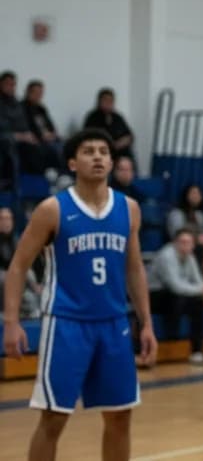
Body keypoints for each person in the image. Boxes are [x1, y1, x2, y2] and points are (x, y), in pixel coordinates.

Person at [2, 129, 157, 461]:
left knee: (120, 415)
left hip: (115, 324)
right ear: (73, 162)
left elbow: (134, 269)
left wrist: (146, 323)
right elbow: (17, 267)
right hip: (67, 325)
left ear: (113, 161)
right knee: (54, 417)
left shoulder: (128, 208)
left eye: (104, 151)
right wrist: (11, 323)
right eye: (89, 151)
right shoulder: (52, 209)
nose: (98, 156)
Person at [148, 226, 203, 364]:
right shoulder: (166, 255)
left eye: (189, 242)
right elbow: (176, 286)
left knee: (198, 303)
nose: (185, 245)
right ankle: (171, 340)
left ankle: (196, 351)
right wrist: (202, 290)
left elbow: (199, 281)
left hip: (176, 295)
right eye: (182, 241)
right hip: (154, 295)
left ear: (193, 244)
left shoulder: (190, 257)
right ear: (175, 242)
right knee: (178, 298)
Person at [83, 88, 135, 168]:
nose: (108, 103)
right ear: (99, 102)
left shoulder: (117, 117)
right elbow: (88, 137)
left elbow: (129, 135)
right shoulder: (92, 117)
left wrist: (121, 142)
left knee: (128, 154)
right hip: (101, 151)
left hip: (119, 150)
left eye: (111, 101)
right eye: (106, 101)